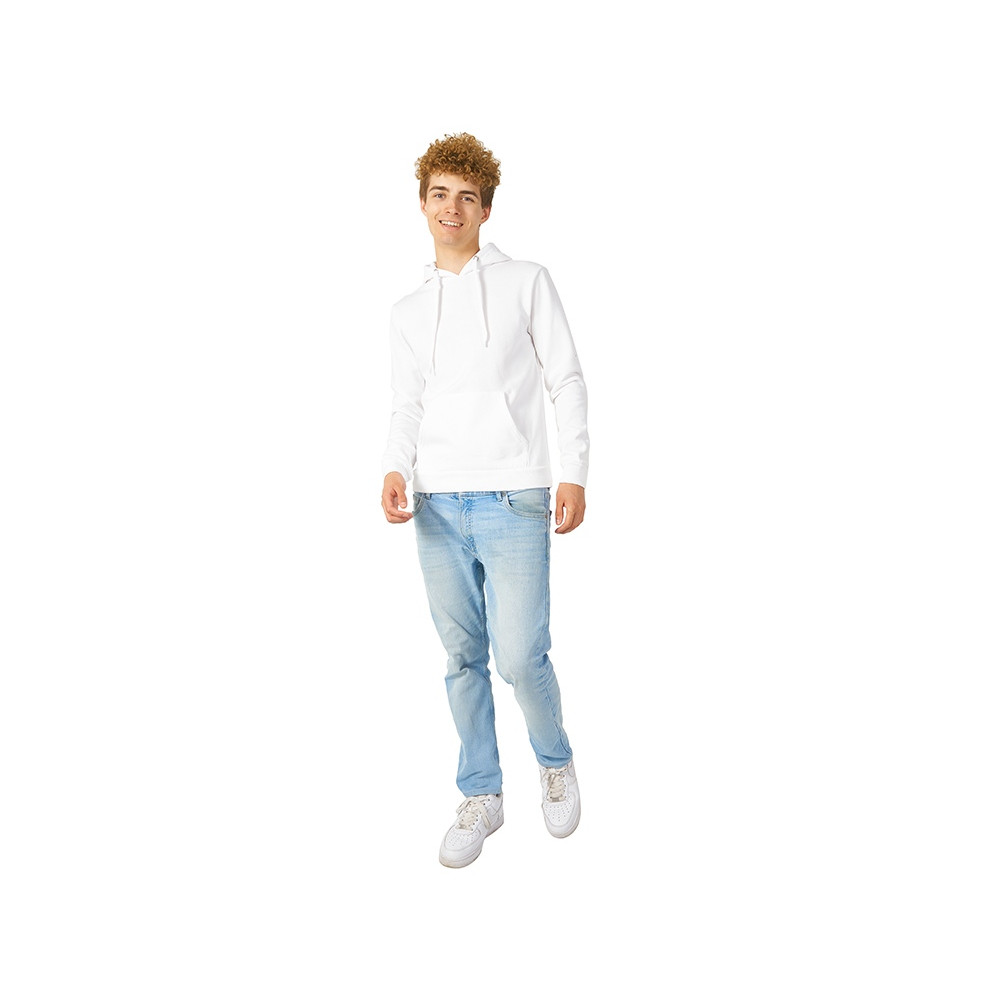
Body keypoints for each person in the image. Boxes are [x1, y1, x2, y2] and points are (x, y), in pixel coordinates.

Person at [380, 133, 589, 868]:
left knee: (521, 654)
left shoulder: (526, 281)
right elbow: (407, 403)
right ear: (423, 204)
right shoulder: (408, 310)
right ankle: (482, 793)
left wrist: (573, 471)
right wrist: (394, 466)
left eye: (466, 197)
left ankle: (555, 761)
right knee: (461, 655)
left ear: (486, 208)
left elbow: (566, 377)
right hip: (436, 503)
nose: (452, 208)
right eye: (440, 194)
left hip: (514, 493)